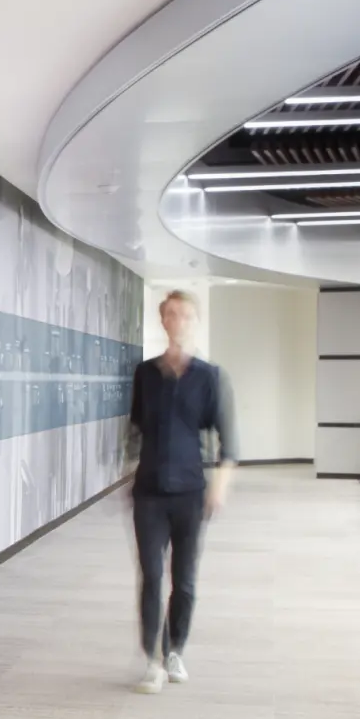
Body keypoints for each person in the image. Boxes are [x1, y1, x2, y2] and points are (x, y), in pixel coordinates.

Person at [127, 289, 238, 693]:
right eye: (171, 314)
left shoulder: (210, 377)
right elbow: (136, 429)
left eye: (186, 315)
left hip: (191, 493)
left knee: (185, 580)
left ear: (195, 322)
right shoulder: (145, 374)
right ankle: (152, 659)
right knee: (152, 576)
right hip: (149, 493)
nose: (179, 321)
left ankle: (175, 650)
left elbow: (230, 444)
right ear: (163, 321)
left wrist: (218, 490)